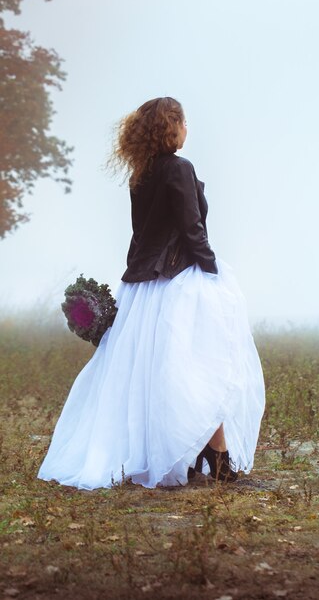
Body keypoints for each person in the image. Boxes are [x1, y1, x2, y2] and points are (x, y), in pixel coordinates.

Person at [37, 96, 265, 490]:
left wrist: (135, 280)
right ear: (171, 125)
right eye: (184, 121)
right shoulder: (179, 168)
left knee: (164, 375)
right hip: (179, 282)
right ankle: (214, 457)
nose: (187, 128)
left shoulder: (141, 172)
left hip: (144, 286)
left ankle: (212, 455)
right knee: (202, 370)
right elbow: (193, 230)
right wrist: (213, 272)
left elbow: (141, 234)